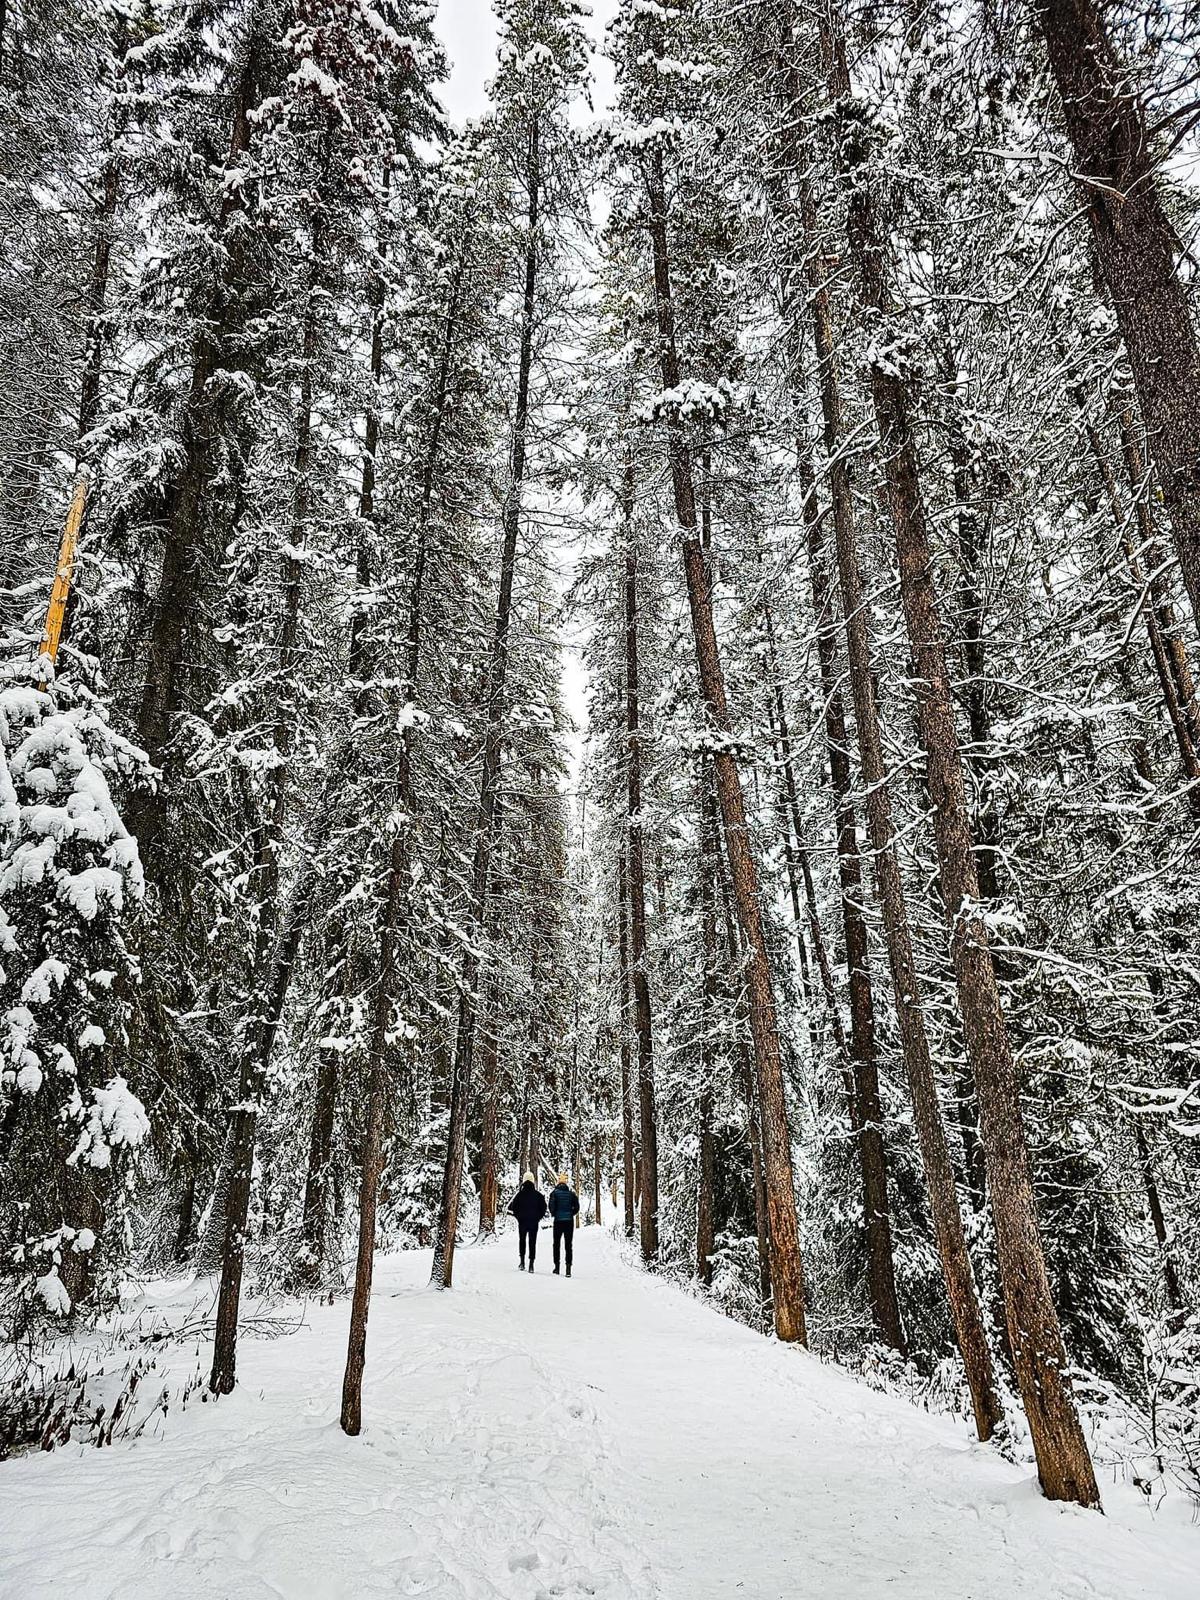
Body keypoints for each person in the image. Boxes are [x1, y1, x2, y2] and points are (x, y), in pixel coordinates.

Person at [507, 1171, 546, 1272]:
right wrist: (538, 1217)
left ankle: (522, 1262)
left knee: (522, 1241)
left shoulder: (519, 1195)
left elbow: (513, 1208)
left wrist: (519, 1217)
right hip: (534, 1222)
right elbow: (543, 1209)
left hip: (522, 1222)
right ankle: (531, 1264)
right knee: (532, 1242)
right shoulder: (539, 1196)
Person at [547, 1172, 580, 1277]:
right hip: (569, 1222)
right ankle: (568, 1269)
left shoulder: (554, 1193)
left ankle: (557, 1267)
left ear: (558, 1182)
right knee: (568, 1245)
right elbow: (577, 1207)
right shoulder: (571, 1194)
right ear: (566, 1183)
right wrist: (571, 1213)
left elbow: (551, 1206)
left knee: (556, 1244)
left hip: (558, 1222)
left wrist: (555, 1214)